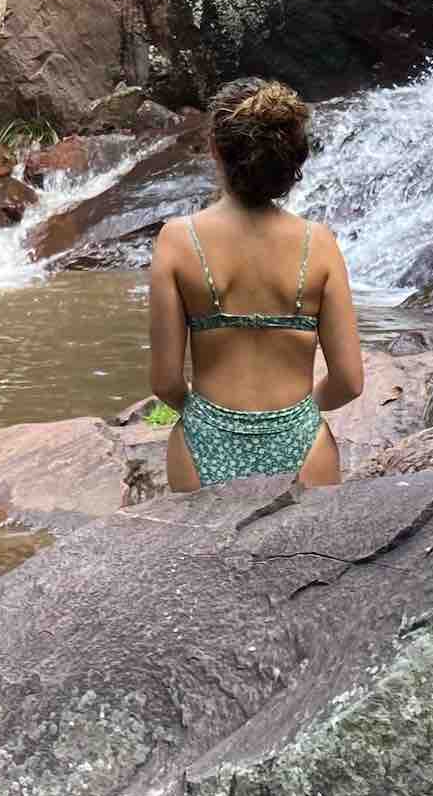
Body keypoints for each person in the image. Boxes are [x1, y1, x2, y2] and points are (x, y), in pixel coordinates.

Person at [147, 78, 363, 491]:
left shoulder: (178, 239)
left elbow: (165, 382)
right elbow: (350, 381)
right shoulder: (319, 243)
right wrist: (295, 417)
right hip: (300, 441)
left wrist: (209, 419)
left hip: (204, 439)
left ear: (215, 150)